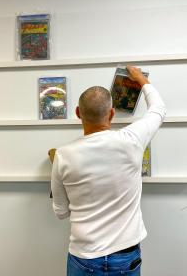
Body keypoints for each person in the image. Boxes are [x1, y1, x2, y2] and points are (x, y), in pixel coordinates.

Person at [51, 66, 166, 276]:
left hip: (83, 256)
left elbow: (61, 212)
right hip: (125, 257)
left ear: (78, 113)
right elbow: (158, 109)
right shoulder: (132, 140)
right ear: (112, 113)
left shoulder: (62, 155)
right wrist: (139, 77)